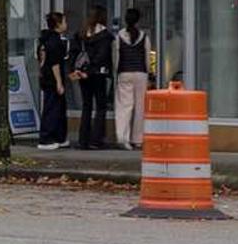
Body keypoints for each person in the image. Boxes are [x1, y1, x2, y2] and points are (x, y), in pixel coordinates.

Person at [32, 10, 75, 150]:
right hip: (52, 79)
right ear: (58, 24)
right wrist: (59, 82)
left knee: (59, 108)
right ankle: (46, 138)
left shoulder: (45, 39)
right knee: (52, 108)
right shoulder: (54, 41)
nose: (66, 24)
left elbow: (42, 60)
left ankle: (59, 137)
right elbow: (54, 63)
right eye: (64, 21)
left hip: (46, 77)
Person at [113, 9, 154, 150]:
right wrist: (149, 74)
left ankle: (123, 137)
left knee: (124, 106)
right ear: (138, 20)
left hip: (124, 72)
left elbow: (117, 58)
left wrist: (117, 71)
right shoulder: (144, 36)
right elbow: (148, 59)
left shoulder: (119, 36)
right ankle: (138, 139)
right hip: (141, 73)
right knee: (140, 107)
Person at [75, 8, 115, 151]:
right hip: (98, 74)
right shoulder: (105, 36)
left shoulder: (81, 34)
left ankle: (83, 139)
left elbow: (75, 52)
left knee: (86, 106)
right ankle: (96, 139)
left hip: (83, 74)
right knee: (100, 106)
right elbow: (102, 56)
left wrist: (80, 70)